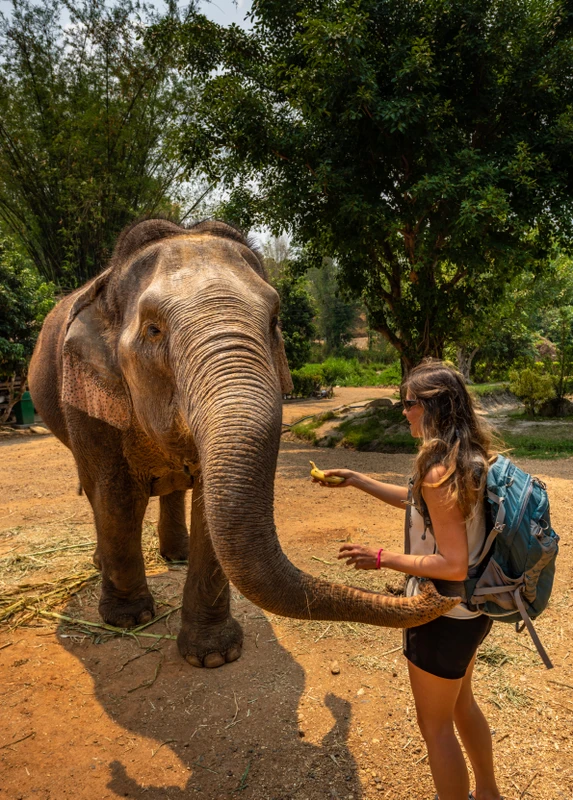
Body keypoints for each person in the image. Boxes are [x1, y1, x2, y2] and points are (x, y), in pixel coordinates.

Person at [316, 360, 502, 800]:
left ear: (432, 407)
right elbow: (421, 504)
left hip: (441, 612)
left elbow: (452, 563)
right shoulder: (470, 457)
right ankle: (490, 794)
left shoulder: (439, 469)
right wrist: (359, 480)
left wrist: (381, 558)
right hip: (472, 610)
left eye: (409, 404)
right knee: (460, 705)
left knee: (434, 727)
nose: (404, 412)